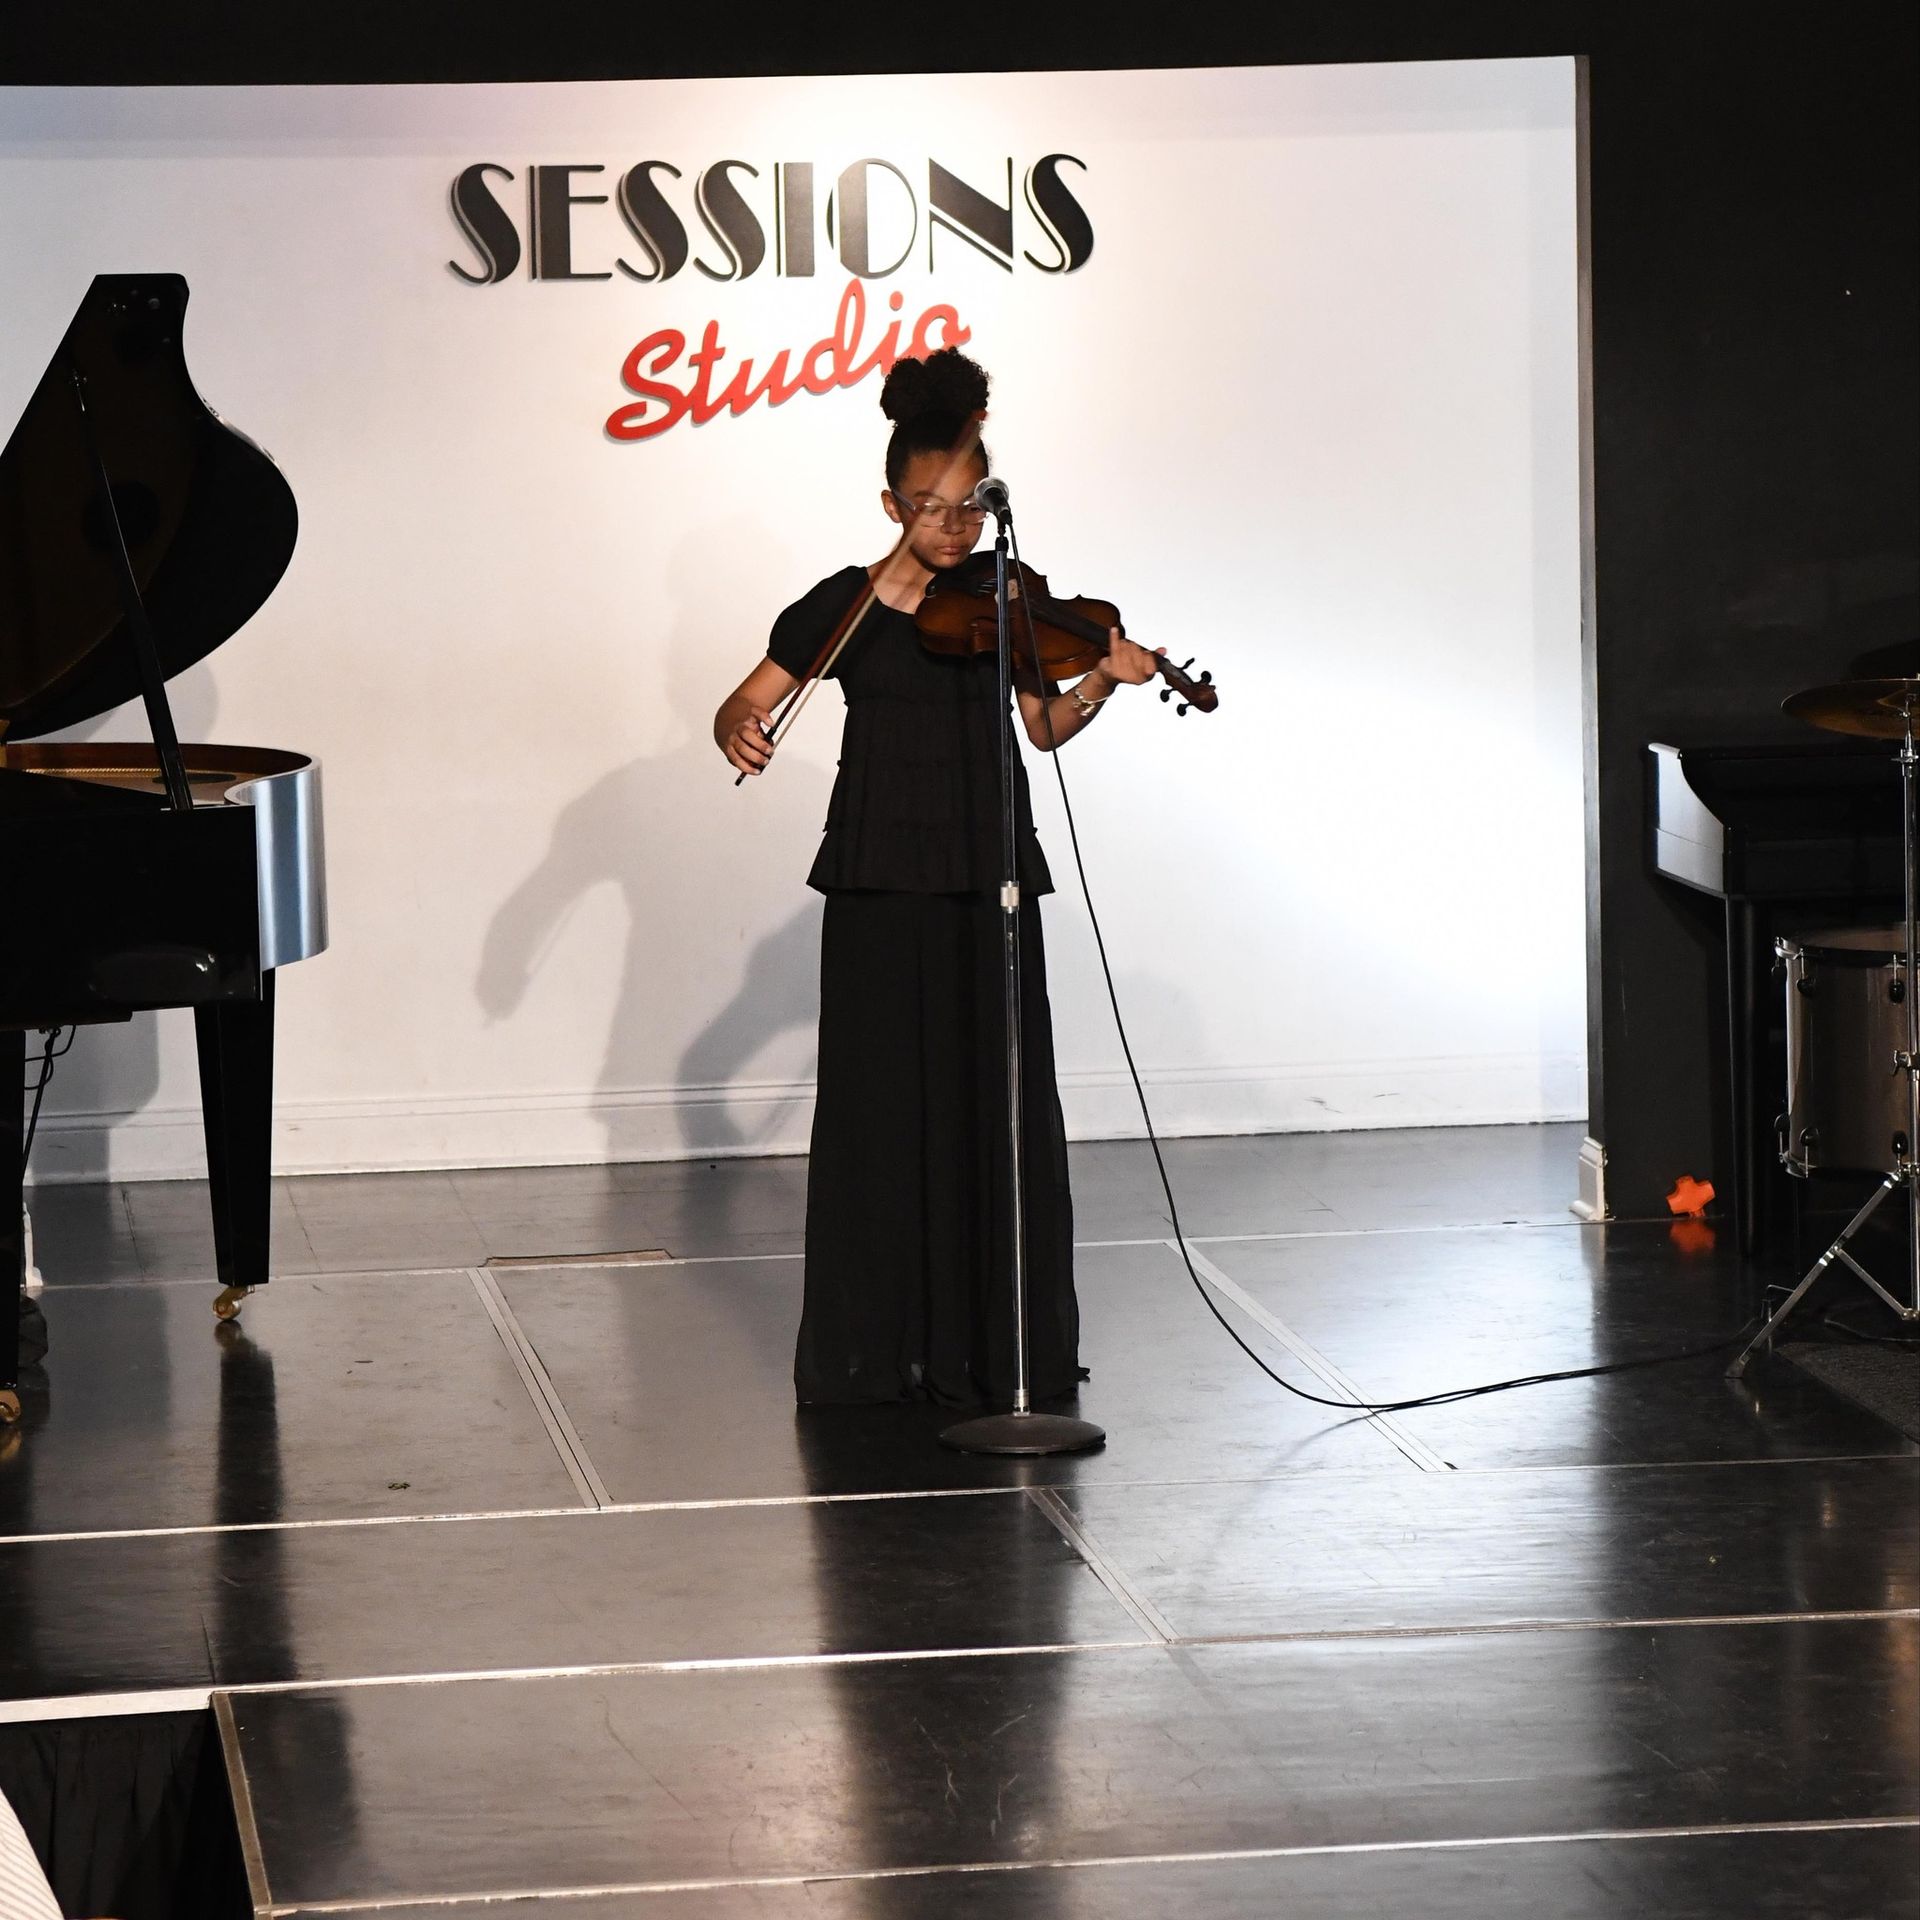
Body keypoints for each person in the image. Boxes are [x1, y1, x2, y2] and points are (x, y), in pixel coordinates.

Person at [713, 348, 1161, 1408]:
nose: (953, 528)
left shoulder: (1004, 600)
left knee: (991, 1106)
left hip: (984, 874)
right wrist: (739, 728)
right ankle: (877, 1349)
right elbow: (747, 699)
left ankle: (992, 1346)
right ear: (892, 504)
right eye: (930, 507)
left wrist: (1100, 678)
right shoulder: (841, 606)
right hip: (876, 876)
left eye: (969, 507)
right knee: (878, 1109)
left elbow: (1043, 728)